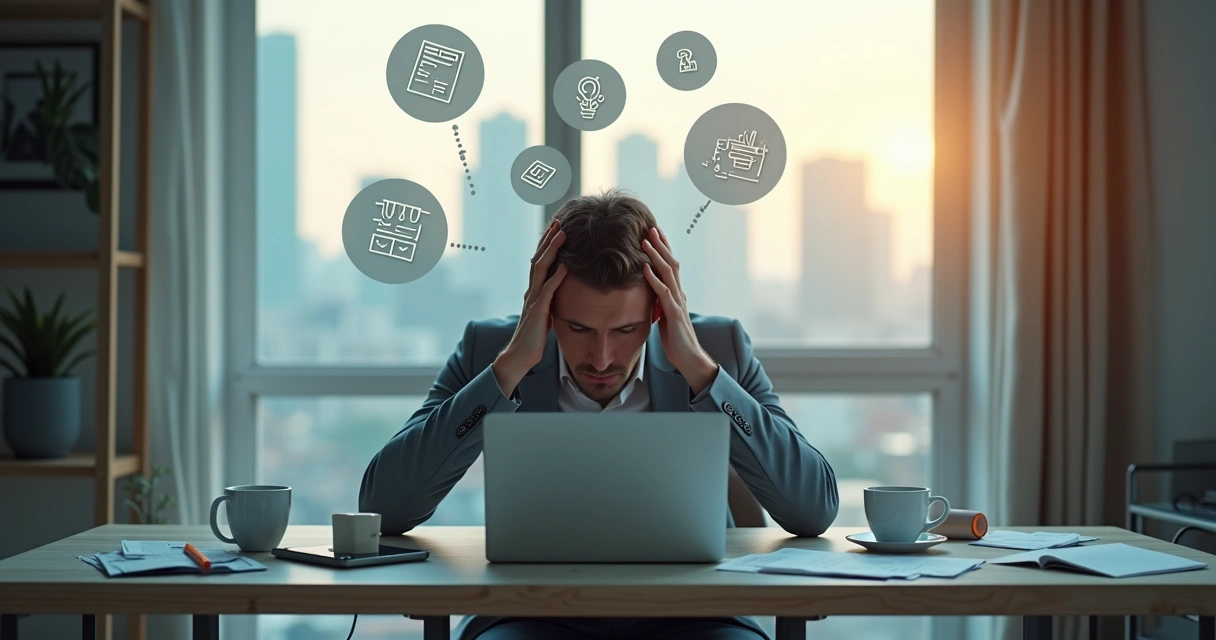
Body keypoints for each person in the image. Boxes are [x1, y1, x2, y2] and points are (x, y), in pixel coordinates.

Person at [360, 189, 839, 640]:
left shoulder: (720, 349)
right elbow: (386, 507)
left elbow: (811, 508)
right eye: (578, 327)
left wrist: (700, 372)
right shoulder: (491, 349)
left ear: (657, 311)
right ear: (544, 309)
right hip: (528, 612)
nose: (603, 357)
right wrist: (508, 370)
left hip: (697, 614)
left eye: (627, 329)